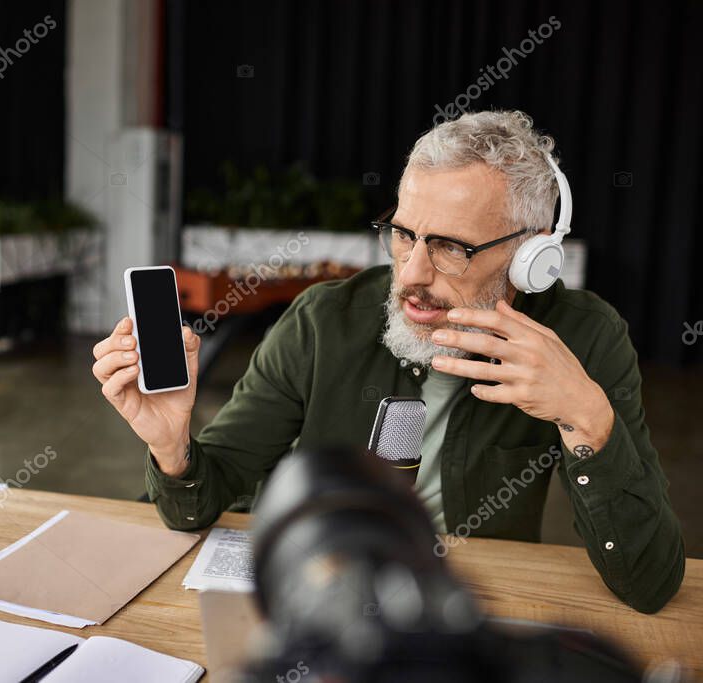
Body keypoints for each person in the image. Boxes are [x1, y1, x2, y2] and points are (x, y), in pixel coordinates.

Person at [91, 110, 684, 613]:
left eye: (451, 246)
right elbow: (200, 500)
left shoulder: (586, 339)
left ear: (533, 255)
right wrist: (172, 447)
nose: (414, 275)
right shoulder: (323, 321)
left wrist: (587, 420)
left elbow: (649, 584)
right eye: (404, 235)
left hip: (461, 610)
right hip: (313, 593)